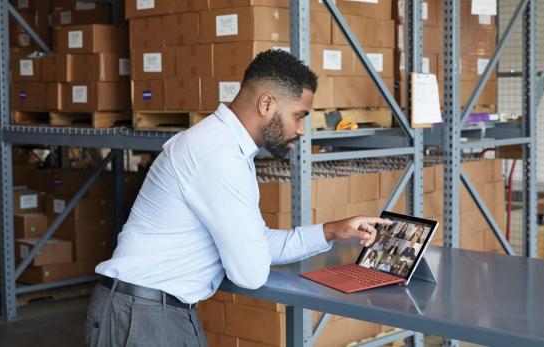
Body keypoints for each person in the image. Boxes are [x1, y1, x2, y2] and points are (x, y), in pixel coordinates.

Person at [85, 50, 392, 347]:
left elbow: (256, 243)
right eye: (299, 116)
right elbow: (250, 272)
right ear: (267, 103)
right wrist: (251, 248)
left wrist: (332, 231)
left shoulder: (226, 147)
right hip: (142, 318)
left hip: (154, 311)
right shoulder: (217, 154)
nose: (301, 130)